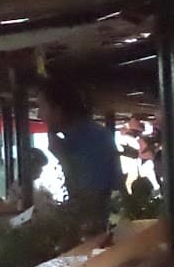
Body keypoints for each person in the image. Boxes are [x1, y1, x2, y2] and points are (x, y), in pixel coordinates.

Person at [42, 79, 121, 210]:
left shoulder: (91, 138)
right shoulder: (82, 136)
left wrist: (64, 159)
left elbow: (91, 202)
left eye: (42, 107)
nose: (39, 115)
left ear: (58, 110)